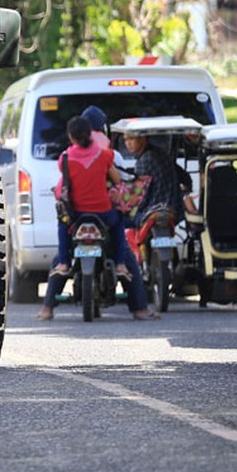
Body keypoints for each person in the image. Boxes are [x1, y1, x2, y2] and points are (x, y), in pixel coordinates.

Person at [39, 116, 157, 321]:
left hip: (76, 216)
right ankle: (136, 302)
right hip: (103, 215)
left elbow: (66, 182)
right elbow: (118, 180)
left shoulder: (64, 158)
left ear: (71, 137)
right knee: (119, 224)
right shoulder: (106, 155)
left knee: (61, 243)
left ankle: (48, 307)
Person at [125, 131, 188, 224]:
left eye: (131, 139)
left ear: (143, 139)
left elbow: (140, 196)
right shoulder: (162, 153)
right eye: (125, 140)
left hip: (152, 212)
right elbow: (186, 178)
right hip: (175, 210)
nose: (128, 143)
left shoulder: (143, 161)